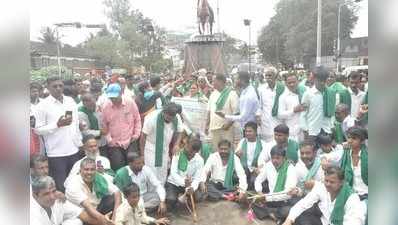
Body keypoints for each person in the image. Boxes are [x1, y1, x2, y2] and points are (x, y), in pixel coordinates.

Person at [34, 76, 82, 192]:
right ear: (48, 88)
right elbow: (37, 130)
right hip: (56, 154)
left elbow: (75, 124)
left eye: (60, 85)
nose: (58, 88)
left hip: (73, 150)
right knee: (61, 186)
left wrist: (79, 143)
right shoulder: (42, 106)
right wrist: (57, 125)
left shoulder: (70, 101)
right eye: (54, 86)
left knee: (76, 184)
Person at [282, 166, 365, 225]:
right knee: (297, 214)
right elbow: (303, 203)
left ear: (341, 182)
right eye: (326, 180)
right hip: (324, 222)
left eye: (332, 182)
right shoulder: (321, 187)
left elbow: (354, 222)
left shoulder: (352, 198)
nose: (328, 184)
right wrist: (289, 220)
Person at [65, 158, 122, 225]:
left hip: (96, 209)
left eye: (92, 169)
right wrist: (105, 221)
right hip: (82, 215)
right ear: (80, 171)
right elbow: (88, 207)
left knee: (113, 198)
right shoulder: (73, 184)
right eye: (86, 169)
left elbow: (117, 192)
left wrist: (115, 216)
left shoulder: (98, 177)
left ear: (96, 170)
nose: (89, 173)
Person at [140, 103, 183, 185]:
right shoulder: (152, 118)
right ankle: (151, 193)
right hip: (151, 147)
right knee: (152, 171)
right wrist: (142, 155)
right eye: (168, 117)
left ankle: (161, 192)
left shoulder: (176, 117)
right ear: (163, 112)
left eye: (172, 117)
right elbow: (143, 137)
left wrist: (176, 144)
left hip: (165, 148)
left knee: (162, 172)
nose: (170, 119)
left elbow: (180, 131)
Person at [101, 83, 141, 171]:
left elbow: (137, 119)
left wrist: (136, 134)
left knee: (133, 167)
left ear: (121, 93)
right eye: (111, 98)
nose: (113, 100)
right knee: (117, 167)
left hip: (130, 140)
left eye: (115, 97)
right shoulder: (105, 106)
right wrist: (109, 140)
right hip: (115, 143)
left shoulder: (130, 102)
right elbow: (104, 125)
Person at [252, 146, 298, 222]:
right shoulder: (269, 165)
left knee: (290, 210)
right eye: (272, 158)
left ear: (284, 158)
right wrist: (259, 192)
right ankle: (274, 214)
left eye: (277, 158)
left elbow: (287, 193)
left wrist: (265, 198)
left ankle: (271, 213)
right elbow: (258, 180)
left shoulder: (291, 169)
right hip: (270, 200)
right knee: (252, 200)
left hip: (284, 201)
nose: (274, 161)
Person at [165, 133, 205, 209]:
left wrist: (192, 188)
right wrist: (184, 182)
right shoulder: (178, 154)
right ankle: (179, 200)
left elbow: (197, 178)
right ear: (186, 144)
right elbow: (173, 173)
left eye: (192, 152)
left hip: (190, 184)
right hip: (174, 183)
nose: (189, 153)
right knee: (170, 200)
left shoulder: (200, 160)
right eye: (188, 148)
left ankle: (185, 199)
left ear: (196, 152)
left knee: (199, 198)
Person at [300, 66, 336, 145]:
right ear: (314, 79)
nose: (322, 83)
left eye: (324, 80)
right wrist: (306, 130)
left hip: (327, 131)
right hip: (312, 132)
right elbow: (303, 114)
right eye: (319, 80)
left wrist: (332, 127)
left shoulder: (331, 93)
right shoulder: (308, 94)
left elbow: (332, 113)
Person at [206, 74, 239, 148]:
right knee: (216, 152)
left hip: (226, 129)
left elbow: (236, 113)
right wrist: (207, 125)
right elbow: (209, 111)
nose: (212, 83)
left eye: (214, 81)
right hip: (214, 128)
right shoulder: (213, 94)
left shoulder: (232, 93)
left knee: (227, 151)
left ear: (220, 82)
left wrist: (228, 124)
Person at [235, 122, 267, 190]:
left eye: (250, 131)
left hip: (256, 170)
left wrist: (259, 168)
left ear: (255, 132)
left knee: (254, 182)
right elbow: (235, 157)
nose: (247, 133)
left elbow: (267, 160)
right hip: (244, 169)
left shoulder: (263, 143)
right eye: (246, 131)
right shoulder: (242, 141)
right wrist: (237, 154)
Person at [256, 67, 283, 142]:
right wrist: (258, 115)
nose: (268, 78)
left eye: (270, 75)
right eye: (266, 75)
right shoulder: (261, 89)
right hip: (265, 123)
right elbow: (259, 105)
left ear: (275, 76)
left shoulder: (282, 88)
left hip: (279, 121)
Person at [277, 73, 307, 141]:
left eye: (294, 82)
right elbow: (280, 115)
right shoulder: (283, 97)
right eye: (289, 83)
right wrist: (293, 110)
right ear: (286, 83)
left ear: (298, 82)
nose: (292, 84)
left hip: (304, 131)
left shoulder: (304, 93)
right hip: (291, 133)